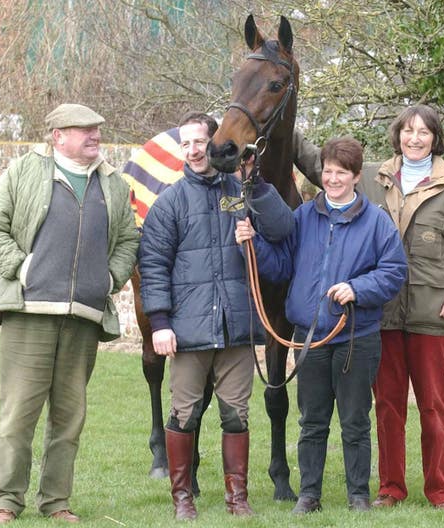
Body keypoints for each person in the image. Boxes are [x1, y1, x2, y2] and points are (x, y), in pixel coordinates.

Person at [0, 104, 139, 525]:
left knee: (69, 418)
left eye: (97, 130)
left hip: (84, 317)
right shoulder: (25, 172)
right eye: (84, 130)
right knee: (19, 415)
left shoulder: (114, 184)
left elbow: (128, 240)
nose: (94, 136)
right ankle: (6, 501)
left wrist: (108, 279)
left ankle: (56, 502)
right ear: (57, 135)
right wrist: (25, 267)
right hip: (29, 312)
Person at [235, 136, 408, 514]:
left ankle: (358, 495)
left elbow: (395, 272)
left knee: (354, 421)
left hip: (355, 337)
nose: (332, 179)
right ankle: (309, 494)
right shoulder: (303, 218)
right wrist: (252, 244)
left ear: (356, 176)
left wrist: (357, 288)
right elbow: (281, 267)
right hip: (309, 337)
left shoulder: (377, 221)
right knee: (312, 421)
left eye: (341, 173)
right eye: (327, 171)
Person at [137, 111, 295, 520]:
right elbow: (152, 266)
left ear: (215, 142)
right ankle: (183, 498)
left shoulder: (240, 191)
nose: (191, 151)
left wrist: (256, 186)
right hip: (189, 330)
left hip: (237, 328)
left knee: (235, 414)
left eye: (198, 142)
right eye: (184, 144)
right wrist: (160, 324)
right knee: (185, 413)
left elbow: (283, 227)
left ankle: (236, 499)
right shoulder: (170, 202)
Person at [359, 105, 444, 509]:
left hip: (431, 317)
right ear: (397, 134)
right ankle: (390, 489)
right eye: (407, 131)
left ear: (435, 138)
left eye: (423, 132)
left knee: (433, 406)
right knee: (387, 406)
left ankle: (439, 490)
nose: (414, 138)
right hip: (383, 314)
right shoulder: (370, 180)